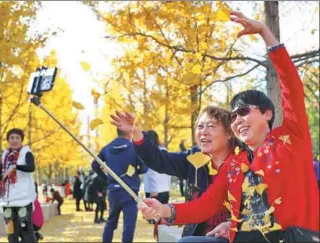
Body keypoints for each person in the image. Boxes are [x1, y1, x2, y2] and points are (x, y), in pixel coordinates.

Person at [139, 11, 320, 243]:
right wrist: (164, 210)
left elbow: (291, 86)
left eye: (244, 111)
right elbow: (205, 205)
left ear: (267, 113)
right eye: (233, 117)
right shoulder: (235, 164)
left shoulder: (290, 139)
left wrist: (266, 34)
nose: (238, 120)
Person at [111, 106, 240, 241]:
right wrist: (136, 132)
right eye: (200, 126)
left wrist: (235, 224)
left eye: (211, 126)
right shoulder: (193, 159)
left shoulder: (243, 160)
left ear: (229, 132)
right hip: (199, 234)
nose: (204, 132)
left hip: (234, 235)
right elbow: (158, 159)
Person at [91, 129, 148, 243]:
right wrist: (134, 172)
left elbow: (95, 164)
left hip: (113, 191)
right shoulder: (134, 148)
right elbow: (144, 168)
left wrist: (106, 178)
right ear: (129, 132)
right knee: (129, 226)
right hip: (130, 192)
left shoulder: (107, 148)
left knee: (111, 222)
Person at [0, 128, 37, 243]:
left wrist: (15, 166)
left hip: (23, 200)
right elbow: (3, 176)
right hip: (7, 202)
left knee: (26, 231)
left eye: (17, 138)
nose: (14, 140)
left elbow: (31, 168)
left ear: (21, 139)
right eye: (12, 138)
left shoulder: (26, 153)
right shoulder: (5, 156)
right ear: (8, 140)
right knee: (11, 233)